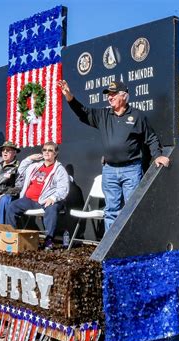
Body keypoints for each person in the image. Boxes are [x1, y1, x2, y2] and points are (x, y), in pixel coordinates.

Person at [58, 80, 170, 231]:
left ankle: (131, 246)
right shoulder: (103, 115)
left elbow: (151, 139)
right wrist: (69, 96)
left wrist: (157, 156)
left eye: (113, 94)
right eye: (108, 95)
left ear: (123, 95)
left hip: (131, 169)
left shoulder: (137, 116)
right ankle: (110, 251)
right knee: (111, 211)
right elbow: (82, 111)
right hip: (109, 170)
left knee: (131, 209)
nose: (109, 97)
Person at [5, 141, 69, 249]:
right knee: (12, 206)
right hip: (29, 200)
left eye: (50, 150)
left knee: (52, 208)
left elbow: (64, 188)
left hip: (45, 200)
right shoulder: (35, 166)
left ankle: (49, 240)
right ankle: (10, 237)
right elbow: (21, 170)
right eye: (44, 150)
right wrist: (29, 158)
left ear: (56, 153)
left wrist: (53, 198)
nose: (47, 152)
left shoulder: (59, 169)